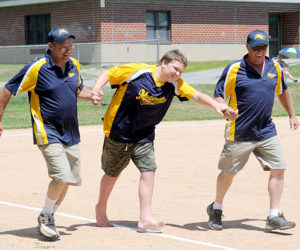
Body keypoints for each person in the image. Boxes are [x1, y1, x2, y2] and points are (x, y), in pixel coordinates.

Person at [91, 49, 238, 232]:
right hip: (118, 133)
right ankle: (101, 208)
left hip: (144, 136)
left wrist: (218, 106)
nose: (177, 74)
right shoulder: (138, 72)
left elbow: (197, 95)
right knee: (112, 173)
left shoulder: (174, 85)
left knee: (149, 171)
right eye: (175, 69)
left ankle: (145, 217)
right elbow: (109, 74)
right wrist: (97, 89)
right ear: (163, 63)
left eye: (181, 72)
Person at [0, 27, 92, 239]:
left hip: (71, 131)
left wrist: (92, 96)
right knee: (61, 175)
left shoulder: (74, 65)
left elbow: (78, 90)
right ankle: (47, 217)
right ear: (51, 47)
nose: (67, 50)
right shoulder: (37, 67)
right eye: (62, 47)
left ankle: (47, 215)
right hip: (47, 131)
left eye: (70, 46)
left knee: (68, 179)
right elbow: (7, 89)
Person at [207, 29, 299, 231]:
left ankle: (274, 215)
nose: (259, 51)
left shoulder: (274, 66)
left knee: (279, 167)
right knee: (228, 173)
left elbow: (282, 91)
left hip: (266, 130)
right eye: (255, 48)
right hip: (240, 131)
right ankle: (216, 207)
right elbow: (219, 95)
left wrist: (292, 114)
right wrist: (224, 107)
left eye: (263, 47)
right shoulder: (233, 69)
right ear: (247, 47)